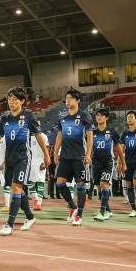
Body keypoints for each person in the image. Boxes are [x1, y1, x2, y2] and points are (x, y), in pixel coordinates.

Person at [0, 87, 50, 235]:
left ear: (22, 101)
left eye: (15, 99)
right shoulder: (4, 118)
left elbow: (38, 136)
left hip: (23, 158)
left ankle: (9, 224)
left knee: (16, 188)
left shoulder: (28, 116)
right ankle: (30, 217)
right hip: (9, 159)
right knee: (17, 190)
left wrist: (46, 155)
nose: (11, 102)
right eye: (9, 99)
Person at [53, 89, 94, 226]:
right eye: (66, 98)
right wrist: (55, 152)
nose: (67, 100)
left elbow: (89, 136)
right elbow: (59, 136)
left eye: (70, 98)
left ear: (78, 101)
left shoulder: (85, 116)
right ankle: (72, 206)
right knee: (59, 183)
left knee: (81, 185)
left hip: (79, 157)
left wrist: (88, 153)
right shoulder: (63, 118)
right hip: (65, 156)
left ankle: (79, 216)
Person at [91, 109, 124, 221]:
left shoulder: (112, 131)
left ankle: (102, 212)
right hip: (95, 163)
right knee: (100, 189)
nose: (99, 117)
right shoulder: (92, 132)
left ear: (106, 118)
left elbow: (119, 147)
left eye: (101, 115)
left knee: (105, 185)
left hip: (107, 162)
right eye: (97, 115)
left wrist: (122, 162)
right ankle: (108, 211)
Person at [28, 130, 49, 210]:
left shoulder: (43, 136)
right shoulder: (32, 137)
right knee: (28, 182)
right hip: (32, 162)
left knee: (40, 182)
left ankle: (39, 203)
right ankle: (36, 198)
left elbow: (46, 149)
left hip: (40, 161)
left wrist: (44, 162)